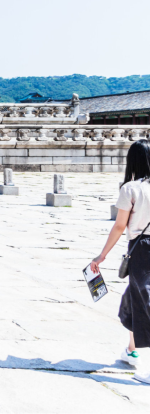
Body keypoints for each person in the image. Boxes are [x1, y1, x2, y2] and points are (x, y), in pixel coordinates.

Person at [91, 139, 150, 384]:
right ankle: (131, 350)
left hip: (142, 249)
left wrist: (101, 255)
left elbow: (119, 225)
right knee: (133, 297)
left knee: (145, 298)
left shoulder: (131, 188)